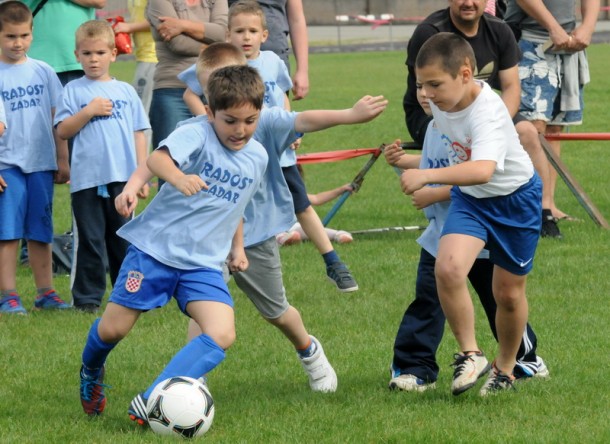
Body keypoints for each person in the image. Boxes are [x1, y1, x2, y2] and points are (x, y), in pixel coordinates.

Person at [114, 43, 387, 425]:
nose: (233, 108)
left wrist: (350, 115)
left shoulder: (265, 120)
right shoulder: (198, 127)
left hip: (254, 234)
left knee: (276, 310)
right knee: (203, 307)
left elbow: (305, 119)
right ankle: (190, 380)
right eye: (215, 92)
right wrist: (133, 184)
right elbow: (160, 158)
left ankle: (308, 350)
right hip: (202, 240)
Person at [78, 64, 269, 419]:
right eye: (230, 120)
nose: (240, 130)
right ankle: (91, 370)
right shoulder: (196, 132)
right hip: (156, 252)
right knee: (113, 328)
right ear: (210, 112)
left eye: (250, 120)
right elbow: (157, 158)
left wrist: (237, 248)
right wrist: (179, 178)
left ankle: (152, 398)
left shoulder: (258, 157)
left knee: (222, 334)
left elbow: (237, 205)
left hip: (203, 264)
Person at [399, 32, 543, 396]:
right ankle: (471, 353)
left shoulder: (488, 110)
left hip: (515, 201)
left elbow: (482, 170)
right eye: (421, 85)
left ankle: (506, 368)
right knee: (446, 267)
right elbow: (465, 170)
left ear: (465, 74)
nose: (426, 95)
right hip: (472, 200)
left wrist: (428, 178)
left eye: (435, 84)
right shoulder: (443, 105)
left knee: (507, 295)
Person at [180, 1, 359, 292]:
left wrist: (292, 131)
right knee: (230, 207)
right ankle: (209, 271)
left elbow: (283, 100)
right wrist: (210, 124)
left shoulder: (274, 62)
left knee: (301, 205)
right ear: (227, 34)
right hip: (240, 155)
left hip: (279, 156)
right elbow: (190, 93)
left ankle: (333, 262)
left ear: (264, 35)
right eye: (239, 31)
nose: (246, 37)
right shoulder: (224, 64)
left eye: (252, 31)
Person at [403, 0, 561, 238]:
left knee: (528, 132)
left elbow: (511, 88)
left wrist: (495, 127)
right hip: (434, 109)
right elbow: (423, 91)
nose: (469, 2)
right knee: (470, 150)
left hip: (485, 111)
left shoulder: (499, 29)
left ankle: (544, 210)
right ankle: (452, 203)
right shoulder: (430, 31)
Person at [54, 20, 150, 313]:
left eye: (99, 53)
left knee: (123, 239)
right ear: (77, 54)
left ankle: (127, 295)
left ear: (113, 54)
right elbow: (63, 130)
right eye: (86, 54)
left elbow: (139, 133)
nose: (93, 59)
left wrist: (141, 175)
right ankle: (87, 299)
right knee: (90, 240)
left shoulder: (125, 91)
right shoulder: (73, 91)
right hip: (86, 180)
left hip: (123, 179)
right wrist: (88, 111)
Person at [0, 1, 70, 315]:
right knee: (9, 233)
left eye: (24, 35)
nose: (18, 43)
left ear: (32, 33)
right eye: (10, 36)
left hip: (41, 164)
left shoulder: (43, 70)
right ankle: (8, 296)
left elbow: (58, 117)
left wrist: (62, 159)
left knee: (40, 231)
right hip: (8, 165)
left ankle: (46, 293)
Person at [504, 0, 599, 221]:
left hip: (568, 44)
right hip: (529, 40)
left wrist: (587, 27)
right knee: (530, 128)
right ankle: (529, 207)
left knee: (555, 128)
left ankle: (548, 205)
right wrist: (553, 27)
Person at [146, 0, 228, 186]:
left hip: (216, 89)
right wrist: (216, 47)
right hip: (172, 89)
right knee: (171, 168)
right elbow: (177, 43)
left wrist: (182, 25)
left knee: (218, 167)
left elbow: (223, 33)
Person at [228, 0, 309, 100]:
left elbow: (296, 19)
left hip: (276, 58)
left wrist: (302, 70)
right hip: (234, 61)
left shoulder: (277, 64)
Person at [112, 0, 158, 149]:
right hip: (144, 56)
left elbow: (159, 18)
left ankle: (141, 164)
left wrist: (129, 27)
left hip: (152, 57)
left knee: (139, 114)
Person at [276, 169, 354, 246]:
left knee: (311, 230)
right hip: (273, 229)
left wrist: (341, 190)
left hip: (293, 227)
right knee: (276, 234)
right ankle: (284, 238)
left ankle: (338, 234)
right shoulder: (271, 195)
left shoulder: (294, 194)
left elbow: (317, 198)